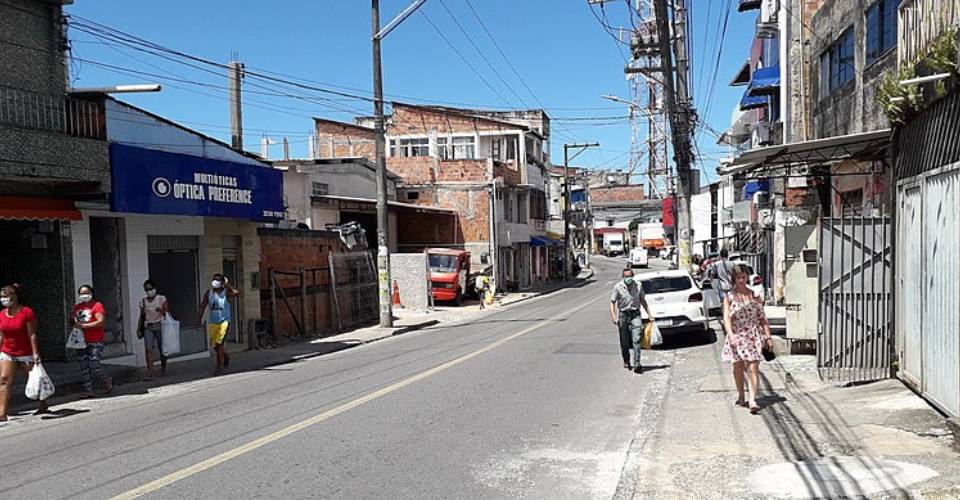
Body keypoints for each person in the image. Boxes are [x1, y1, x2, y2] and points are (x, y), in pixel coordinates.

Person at [721, 265, 774, 414]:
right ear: (734, 279)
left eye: (744, 277)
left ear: (747, 277)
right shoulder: (729, 297)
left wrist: (768, 336)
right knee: (738, 367)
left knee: (753, 368)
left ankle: (752, 399)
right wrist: (731, 335)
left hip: (753, 335)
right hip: (737, 335)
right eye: (738, 277)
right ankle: (741, 395)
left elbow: (762, 318)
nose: (741, 280)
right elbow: (726, 318)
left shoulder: (754, 295)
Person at [0, 284, 48, 421]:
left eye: (5, 297)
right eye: (1, 297)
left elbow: (32, 334)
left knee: (32, 380)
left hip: (25, 352)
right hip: (8, 351)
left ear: (14, 297)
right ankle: (2, 413)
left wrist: (35, 353)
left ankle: (42, 403)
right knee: (4, 380)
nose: (3, 300)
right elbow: (1, 335)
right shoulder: (2, 314)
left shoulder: (27, 312)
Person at [609, 268, 655, 374]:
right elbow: (612, 302)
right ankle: (626, 360)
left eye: (630, 276)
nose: (628, 278)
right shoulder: (618, 287)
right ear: (623, 277)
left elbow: (643, 300)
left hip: (635, 314)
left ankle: (637, 363)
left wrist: (649, 314)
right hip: (623, 315)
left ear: (633, 276)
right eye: (626, 276)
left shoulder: (638, 285)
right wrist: (614, 316)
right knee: (624, 341)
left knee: (636, 339)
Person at [72, 285, 114, 398]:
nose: (83, 295)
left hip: (95, 340)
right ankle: (88, 391)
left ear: (91, 293)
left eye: (86, 292)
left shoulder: (97, 305)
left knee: (94, 364)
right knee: (84, 366)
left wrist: (85, 326)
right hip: (81, 341)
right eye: (81, 293)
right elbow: (73, 320)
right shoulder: (77, 307)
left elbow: (100, 321)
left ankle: (106, 379)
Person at [196, 274, 239, 375]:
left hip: (224, 321)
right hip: (213, 322)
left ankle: (219, 367)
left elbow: (236, 293)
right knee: (215, 346)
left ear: (221, 283)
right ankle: (225, 355)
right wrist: (198, 320)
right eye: (214, 280)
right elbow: (203, 306)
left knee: (219, 343)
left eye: (218, 280)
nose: (215, 282)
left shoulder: (226, 292)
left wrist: (227, 285)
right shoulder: (208, 293)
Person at [137, 279, 169, 380]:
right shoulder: (143, 302)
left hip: (160, 325)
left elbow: (168, 314)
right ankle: (150, 372)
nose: (148, 291)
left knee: (162, 349)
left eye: (150, 289)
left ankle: (163, 368)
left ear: (155, 289)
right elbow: (141, 316)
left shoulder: (161, 299)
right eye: (146, 289)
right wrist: (139, 329)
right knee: (148, 349)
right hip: (148, 327)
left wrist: (161, 310)